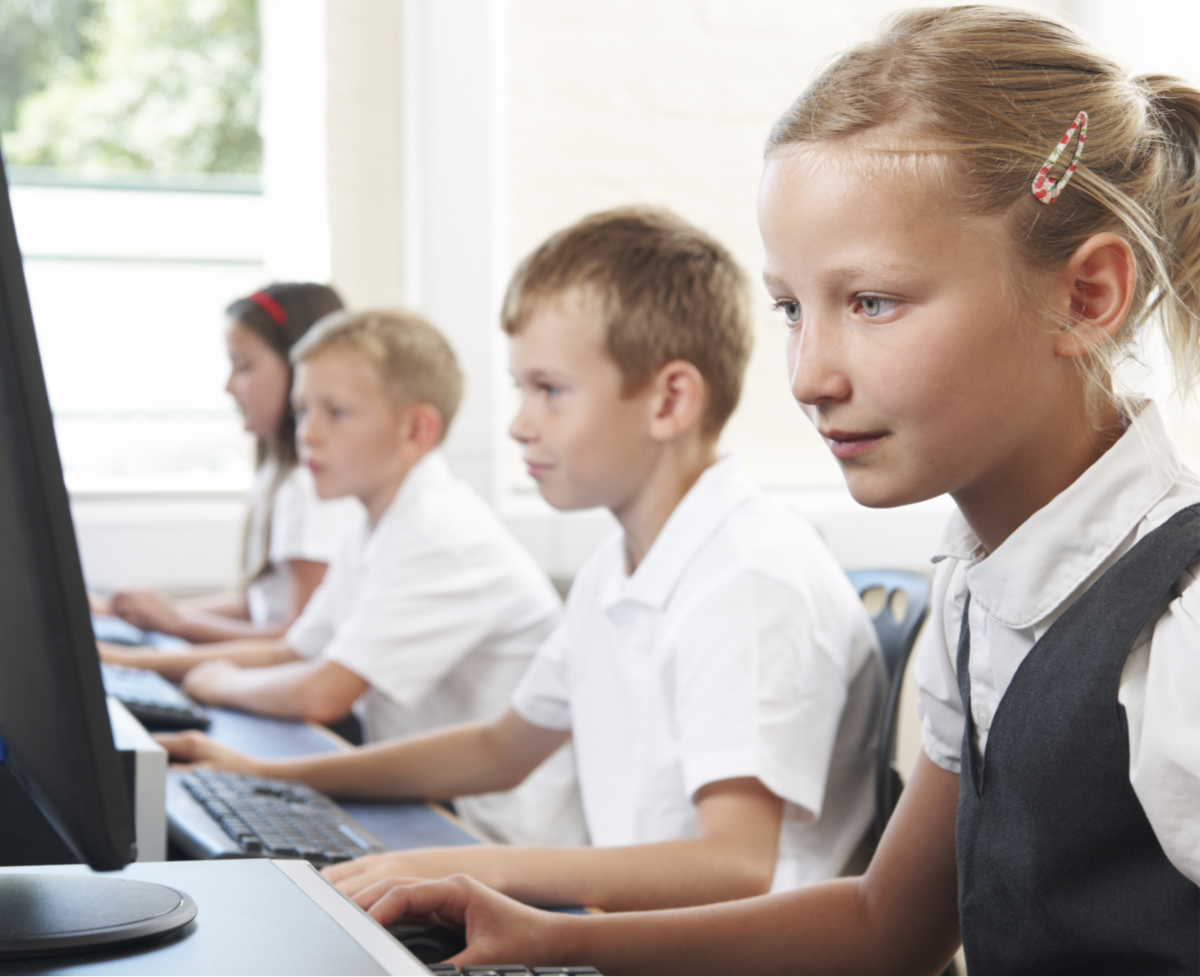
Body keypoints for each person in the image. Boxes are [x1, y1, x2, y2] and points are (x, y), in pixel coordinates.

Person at [332, 7, 1200, 973]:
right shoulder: (979, 588)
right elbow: (887, 926)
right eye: (791, 308)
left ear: (1085, 297)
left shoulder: (1180, 626)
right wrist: (546, 936)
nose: (807, 377)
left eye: (872, 302)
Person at [162, 207, 886, 913]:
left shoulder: (746, 576)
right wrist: (274, 775)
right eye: (520, 388)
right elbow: (501, 747)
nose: (517, 424)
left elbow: (734, 867)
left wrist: (467, 868)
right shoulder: (621, 564)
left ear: (669, 401)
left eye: (550, 390)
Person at [122, 308, 582, 847]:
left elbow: (322, 693)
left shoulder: (438, 533)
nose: (308, 434)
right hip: (430, 799)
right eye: (302, 411)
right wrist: (140, 666)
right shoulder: (372, 525)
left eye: (336, 412)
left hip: (487, 828)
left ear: (416, 430)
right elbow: (294, 650)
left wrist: (220, 683)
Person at [96, 282, 358, 643]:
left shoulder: (310, 488)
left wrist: (174, 624)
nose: (228, 385)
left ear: (299, 368)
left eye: (243, 366)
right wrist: (144, 613)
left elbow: (299, 642)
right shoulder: (277, 475)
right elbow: (261, 606)